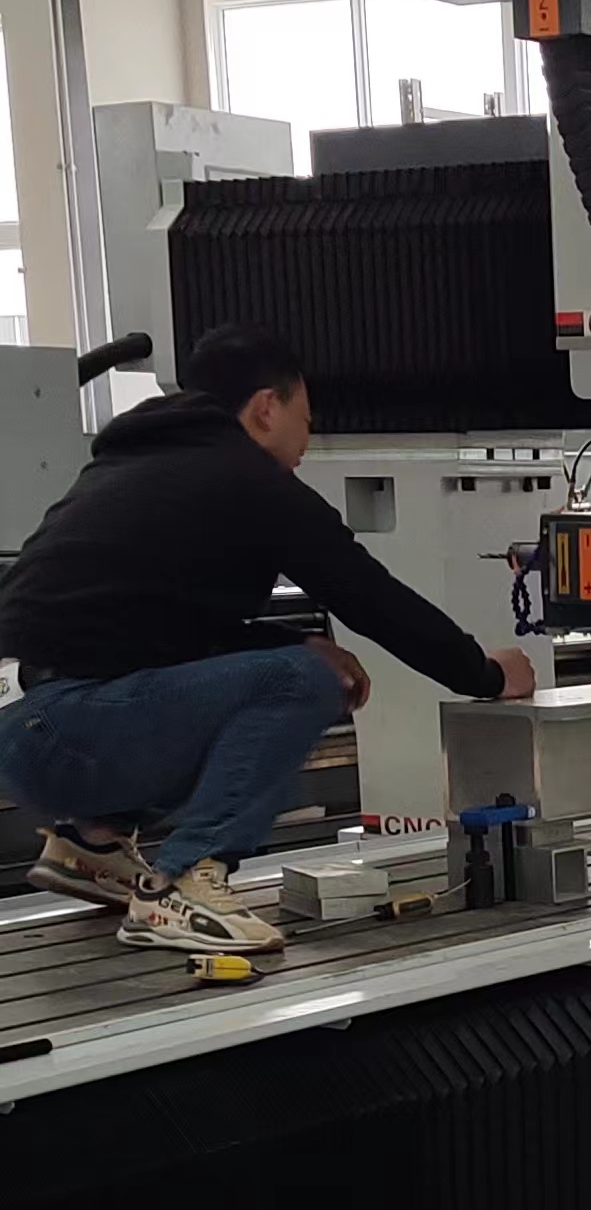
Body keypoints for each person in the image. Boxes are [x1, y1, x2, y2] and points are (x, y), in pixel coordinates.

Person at [0, 325, 534, 959]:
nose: (308, 440)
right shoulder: (250, 480)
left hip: (30, 721)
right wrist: (485, 674)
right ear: (264, 409)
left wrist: (293, 639)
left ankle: (94, 845)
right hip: (64, 727)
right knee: (304, 681)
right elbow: (373, 599)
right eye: (305, 420)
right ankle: (185, 884)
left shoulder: (133, 462)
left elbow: (154, 628)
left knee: (282, 665)